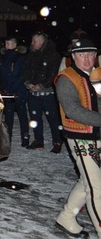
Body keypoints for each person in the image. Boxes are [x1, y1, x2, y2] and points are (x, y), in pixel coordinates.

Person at [54, 38, 99, 239]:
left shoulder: (97, 76)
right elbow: (73, 111)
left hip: (98, 134)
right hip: (80, 136)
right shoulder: (66, 78)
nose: (87, 59)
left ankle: (66, 218)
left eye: (91, 54)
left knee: (88, 180)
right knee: (96, 187)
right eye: (82, 55)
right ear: (73, 57)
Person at [22, 31, 62, 152]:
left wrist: (42, 85)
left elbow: (54, 74)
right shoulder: (31, 56)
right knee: (35, 118)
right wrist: (28, 83)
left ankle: (57, 142)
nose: (32, 43)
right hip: (33, 94)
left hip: (48, 94)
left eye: (35, 41)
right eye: (32, 41)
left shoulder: (53, 55)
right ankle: (39, 141)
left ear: (42, 41)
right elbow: (25, 72)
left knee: (53, 119)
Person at [0, 37, 29, 147]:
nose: (7, 45)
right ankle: (8, 137)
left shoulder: (20, 58)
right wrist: (4, 89)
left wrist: (15, 89)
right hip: (7, 91)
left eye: (9, 43)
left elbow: (21, 75)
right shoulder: (3, 57)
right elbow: (0, 74)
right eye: (6, 43)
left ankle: (25, 137)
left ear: (15, 45)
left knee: (22, 115)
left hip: (18, 91)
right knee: (8, 116)